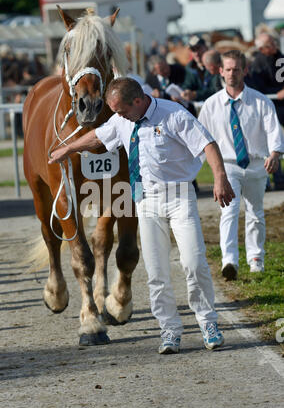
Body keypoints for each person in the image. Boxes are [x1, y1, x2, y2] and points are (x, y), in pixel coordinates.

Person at [48, 77, 235, 354]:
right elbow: (98, 135)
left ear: (138, 101)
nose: (119, 116)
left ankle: (208, 323)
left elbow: (207, 144)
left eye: (121, 110)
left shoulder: (172, 114)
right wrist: (68, 148)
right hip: (145, 201)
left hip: (179, 196)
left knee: (194, 263)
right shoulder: (122, 119)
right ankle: (169, 329)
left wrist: (220, 178)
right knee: (156, 271)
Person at [199, 50, 284, 280]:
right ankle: (230, 261)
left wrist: (275, 153)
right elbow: (199, 137)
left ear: (245, 70)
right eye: (227, 69)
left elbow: (273, 130)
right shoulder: (211, 105)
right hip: (227, 167)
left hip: (257, 165)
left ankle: (256, 258)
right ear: (220, 71)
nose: (232, 73)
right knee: (229, 211)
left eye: (236, 69)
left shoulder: (260, 101)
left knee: (256, 213)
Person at [250, 32, 284, 190]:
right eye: (270, 44)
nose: (274, 46)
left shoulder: (279, 57)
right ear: (262, 48)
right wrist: (277, 93)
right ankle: (273, 180)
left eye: (274, 43)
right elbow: (259, 88)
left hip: (281, 108)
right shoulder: (257, 64)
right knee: (271, 145)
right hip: (269, 109)